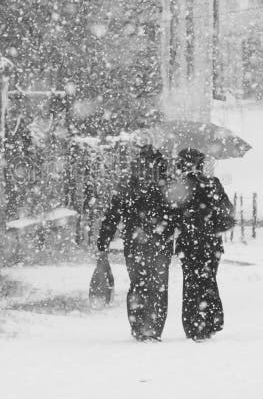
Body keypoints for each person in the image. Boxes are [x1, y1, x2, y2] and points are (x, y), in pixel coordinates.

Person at [97, 144, 175, 342]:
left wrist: (103, 241)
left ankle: (138, 325)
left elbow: (113, 214)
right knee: (158, 287)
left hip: (134, 243)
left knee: (138, 284)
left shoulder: (128, 184)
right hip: (160, 243)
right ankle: (153, 328)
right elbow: (177, 213)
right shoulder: (166, 185)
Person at [170, 148, 233, 342]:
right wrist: (212, 227)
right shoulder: (212, 185)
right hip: (210, 244)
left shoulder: (180, 187)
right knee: (208, 280)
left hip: (189, 244)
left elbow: (171, 217)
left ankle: (194, 324)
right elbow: (227, 216)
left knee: (191, 284)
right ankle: (211, 319)